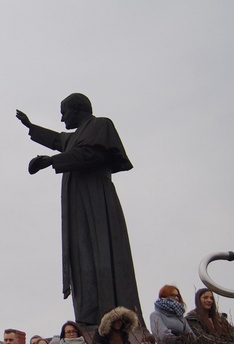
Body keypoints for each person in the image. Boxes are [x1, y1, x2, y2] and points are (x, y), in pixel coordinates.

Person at [16, 94, 143, 327]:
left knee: (100, 250)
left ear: (77, 110)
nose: (62, 117)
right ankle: (89, 313)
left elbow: (90, 154)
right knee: (82, 256)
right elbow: (58, 139)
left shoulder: (100, 125)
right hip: (78, 203)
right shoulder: (76, 137)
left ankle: (111, 314)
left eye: (64, 112)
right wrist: (31, 126)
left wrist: (51, 161)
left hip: (96, 198)